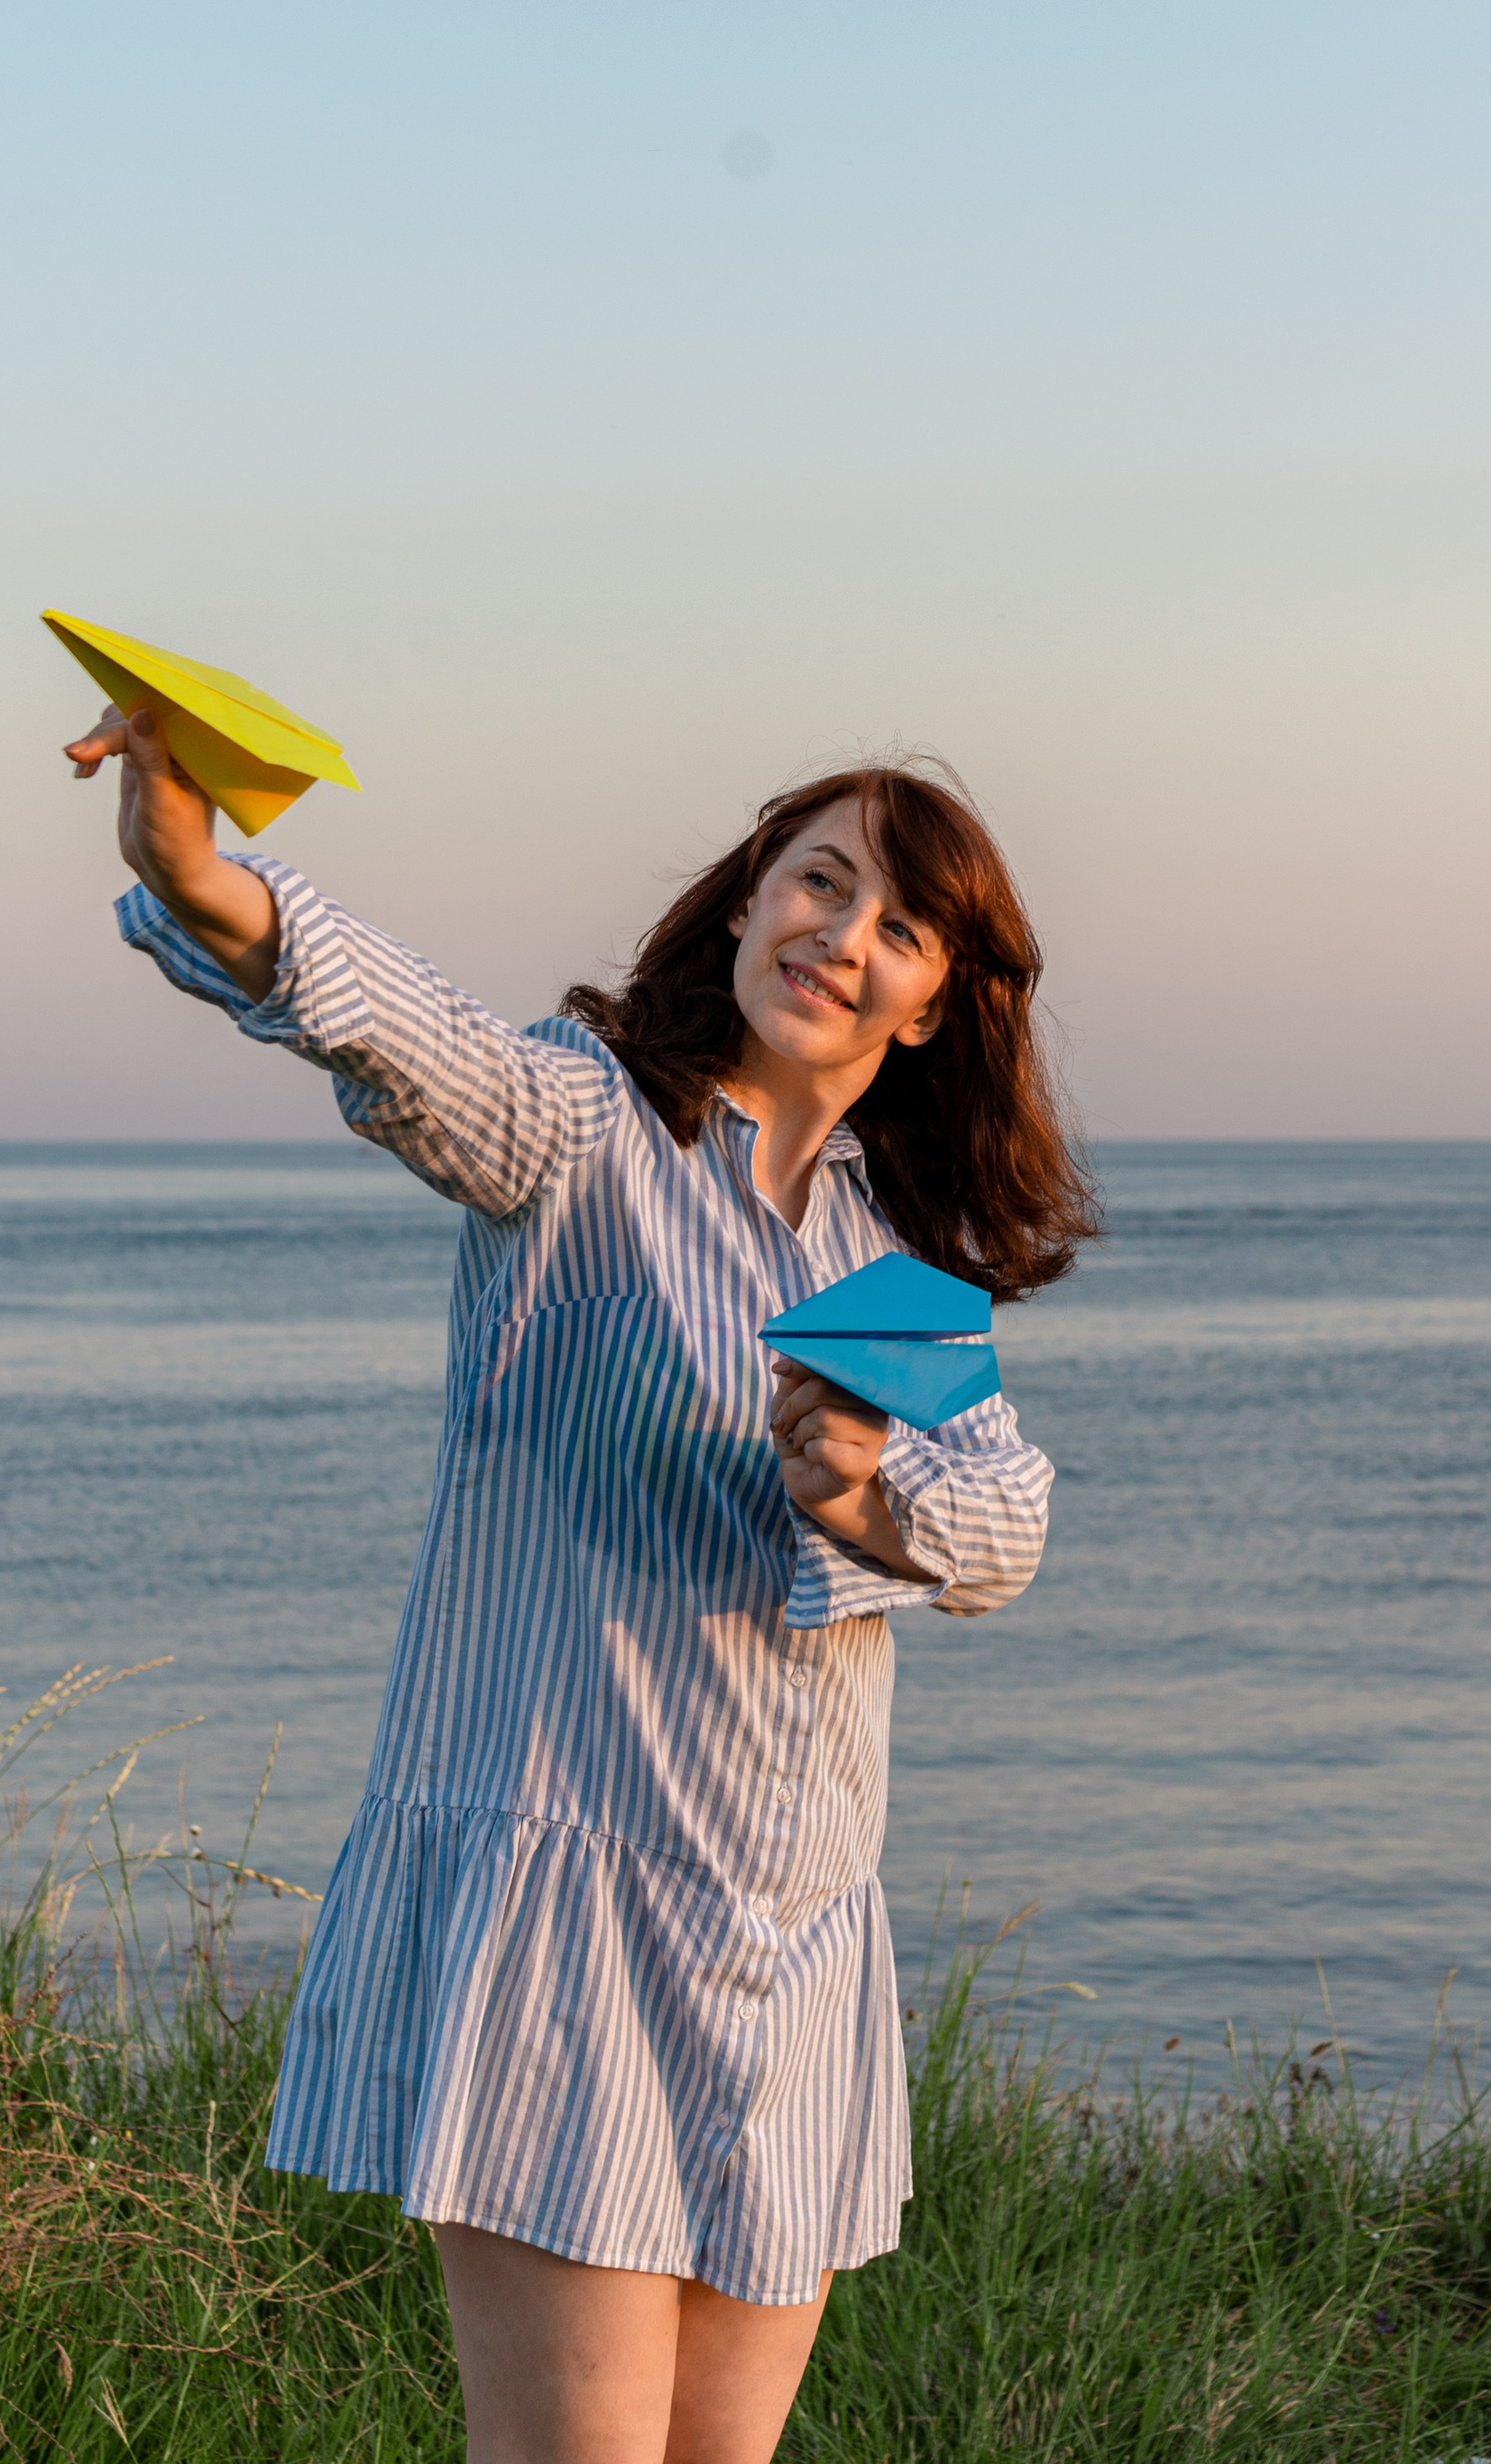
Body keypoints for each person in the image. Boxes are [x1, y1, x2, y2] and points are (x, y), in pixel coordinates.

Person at [64, 704, 1096, 2464]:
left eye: (896, 926)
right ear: (740, 904)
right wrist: (203, 882)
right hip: (567, 1920)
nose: (841, 937)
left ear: (932, 999)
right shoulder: (586, 1130)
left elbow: (998, 1526)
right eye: (817, 881)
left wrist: (859, 1489)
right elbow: (406, 1039)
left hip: (789, 1947)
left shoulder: (893, 1279)